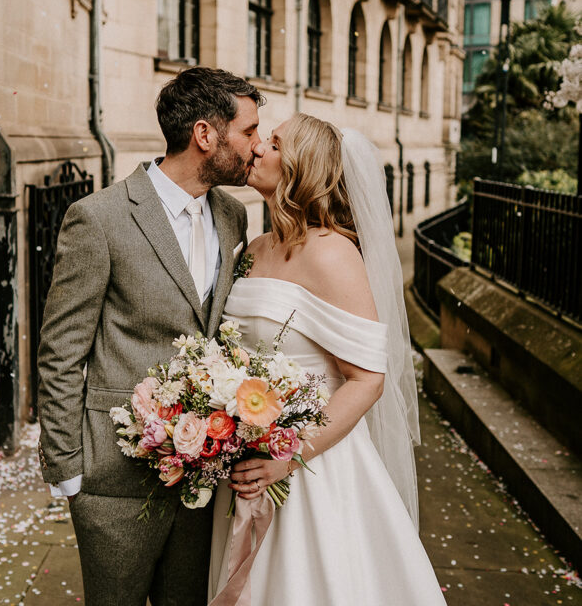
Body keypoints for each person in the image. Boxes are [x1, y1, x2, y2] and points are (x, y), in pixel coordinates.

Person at [37, 67, 264, 606]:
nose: (257, 147)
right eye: (250, 131)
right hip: (114, 475)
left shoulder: (233, 216)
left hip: (203, 477)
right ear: (206, 135)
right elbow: (61, 351)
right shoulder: (99, 218)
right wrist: (68, 467)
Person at [208, 114, 447, 606]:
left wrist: (286, 456)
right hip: (246, 460)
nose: (256, 149)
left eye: (272, 143)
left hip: (312, 470)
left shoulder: (332, 252)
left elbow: (367, 380)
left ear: (300, 168)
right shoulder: (252, 249)